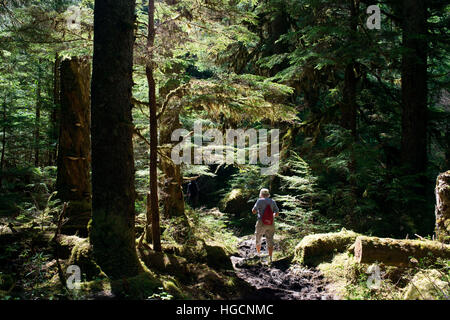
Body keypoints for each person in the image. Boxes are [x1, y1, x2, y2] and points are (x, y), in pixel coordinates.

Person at [252, 188, 279, 263]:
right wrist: (272, 215)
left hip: (261, 222)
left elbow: (253, 211)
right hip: (271, 223)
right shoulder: (272, 201)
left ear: (261, 194)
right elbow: (277, 213)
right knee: (270, 239)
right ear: (268, 194)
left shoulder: (259, 200)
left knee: (258, 237)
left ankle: (259, 254)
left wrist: (258, 211)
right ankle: (270, 257)